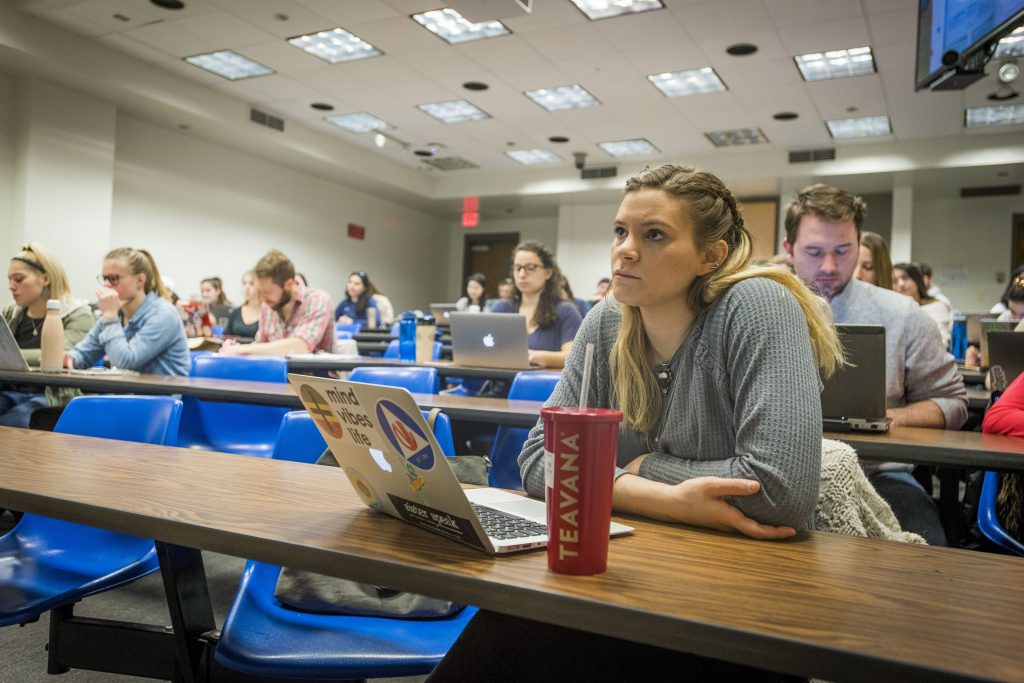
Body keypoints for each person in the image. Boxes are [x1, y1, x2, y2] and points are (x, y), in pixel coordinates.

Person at [429, 164, 842, 682]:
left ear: (710, 256)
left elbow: (781, 492)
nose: (625, 248)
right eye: (621, 231)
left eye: (654, 236)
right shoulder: (607, 320)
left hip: (744, 589)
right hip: (631, 560)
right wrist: (666, 496)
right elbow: (538, 461)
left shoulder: (758, 306)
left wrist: (642, 465)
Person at [783, 183, 966, 546]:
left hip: (880, 474)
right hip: (781, 470)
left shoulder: (901, 313)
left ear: (860, 242)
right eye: (815, 252)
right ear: (789, 249)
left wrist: (888, 417)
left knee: (926, 561)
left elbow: (954, 403)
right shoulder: (756, 308)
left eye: (843, 250)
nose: (830, 266)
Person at [1, 243, 94, 427]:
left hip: (53, 395)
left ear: (45, 278)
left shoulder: (78, 314)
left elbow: (58, 356)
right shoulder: (11, 313)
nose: (11, 286)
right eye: (10, 279)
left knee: (12, 422)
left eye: (18, 279)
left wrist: (10, 356)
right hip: (11, 389)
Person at [65, 247, 189, 375]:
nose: (106, 285)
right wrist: (70, 358)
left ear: (140, 280)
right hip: (124, 392)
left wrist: (110, 316)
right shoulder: (115, 313)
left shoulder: (164, 314)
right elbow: (84, 353)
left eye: (113, 279)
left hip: (160, 394)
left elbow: (125, 363)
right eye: (105, 278)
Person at [220, 249, 335, 357]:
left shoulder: (318, 300)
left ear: (289, 284)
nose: (263, 299)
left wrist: (242, 350)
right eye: (260, 292)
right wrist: (234, 348)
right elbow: (261, 344)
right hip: (275, 374)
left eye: (267, 292)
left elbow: (300, 346)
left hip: (311, 377)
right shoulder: (267, 306)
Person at [490, 241, 583, 369]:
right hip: (499, 382)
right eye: (517, 268)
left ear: (548, 272)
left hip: (543, 386)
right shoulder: (501, 308)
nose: (522, 274)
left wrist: (537, 357)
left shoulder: (566, 311)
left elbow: (574, 357)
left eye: (530, 268)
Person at [893, 262, 953, 349]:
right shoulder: (893, 310)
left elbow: (941, 344)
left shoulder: (937, 306)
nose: (901, 284)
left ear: (917, 279)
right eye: (895, 281)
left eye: (905, 278)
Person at [223, 271, 261, 338]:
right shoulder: (236, 312)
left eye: (252, 284)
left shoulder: (268, 313)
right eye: (244, 283)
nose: (246, 288)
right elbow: (225, 337)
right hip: (235, 347)